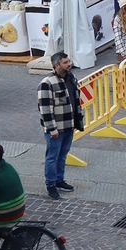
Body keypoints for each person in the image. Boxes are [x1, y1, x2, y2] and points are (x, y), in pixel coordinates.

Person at [37, 52, 82, 200]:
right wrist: (52, 129)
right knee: (52, 157)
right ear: (57, 65)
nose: (69, 64)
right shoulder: (47, 83)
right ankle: (50, 184)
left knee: (62, 156)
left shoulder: (71, 78)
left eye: (68, 61)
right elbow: (45, 110)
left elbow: (75, 101)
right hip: (56, 129)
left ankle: (59, 180)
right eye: (65, 62)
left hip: (68, 126)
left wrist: (77, 122)